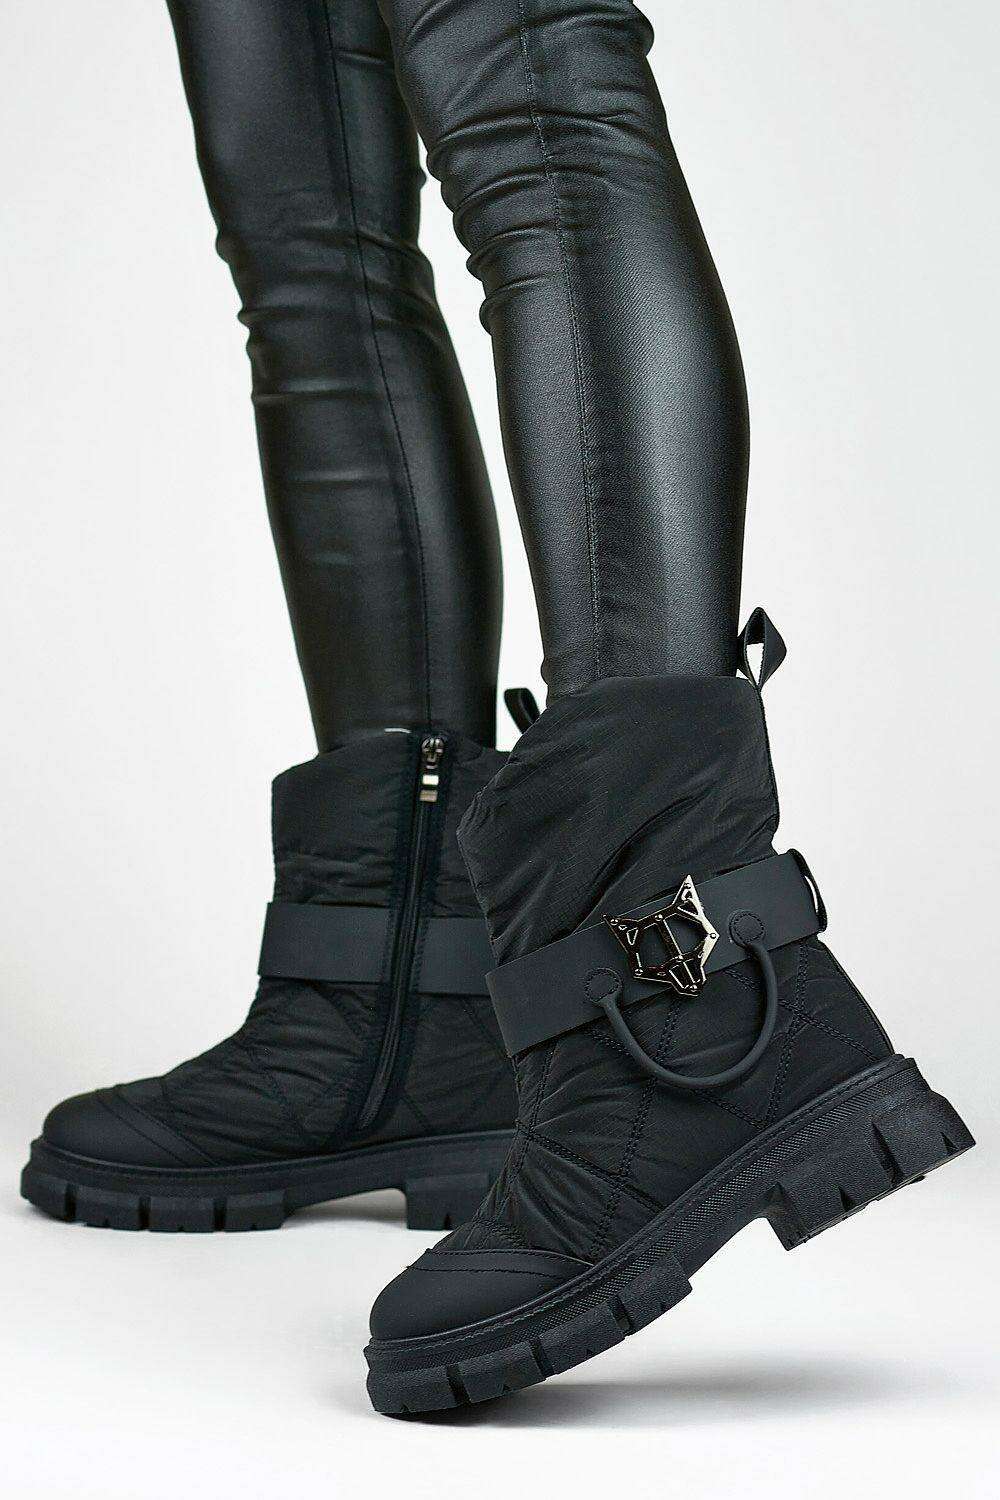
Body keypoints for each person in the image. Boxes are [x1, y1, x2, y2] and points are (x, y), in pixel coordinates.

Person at [21, 1, 972, 1414]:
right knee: (308, 256)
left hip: (688, 1004)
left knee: (532, 97)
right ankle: (398, 996)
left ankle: (690, 1003)